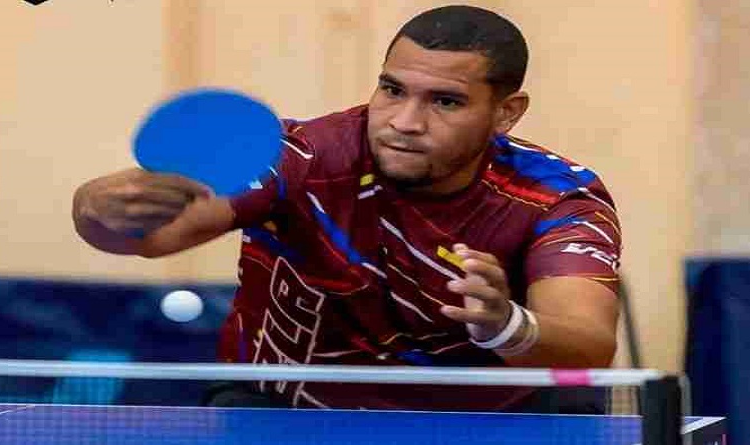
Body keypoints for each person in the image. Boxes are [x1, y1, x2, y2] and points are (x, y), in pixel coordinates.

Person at [72, 5, 621, 412]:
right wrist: (95, 209)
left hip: (483, 419)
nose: (404, 122)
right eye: (392, 89)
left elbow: (589, 345)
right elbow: (151, 240)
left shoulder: (555, 197)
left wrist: (506, 325)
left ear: (506, 113)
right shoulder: (303, 157)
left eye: (445, 101)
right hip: (282, 408)